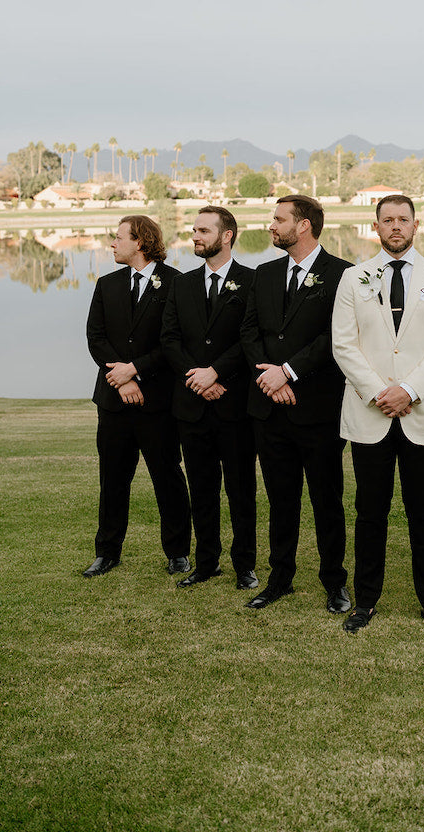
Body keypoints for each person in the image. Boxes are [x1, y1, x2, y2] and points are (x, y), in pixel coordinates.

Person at [331, 194, 424, 633]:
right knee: (370, 511)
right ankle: (365, 601)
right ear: (376, 226)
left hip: (420, 413)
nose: (395, 227)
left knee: (423, 511)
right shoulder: (354, 278)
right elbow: (343, 345)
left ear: (415, 224)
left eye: (402, 220)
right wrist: (377, 392)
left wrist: (408, 390)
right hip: (371, 414)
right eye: (387, 220)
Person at [240, 195, 352, 615]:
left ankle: (335, 583)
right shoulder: (264, 274)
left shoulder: (342, 273)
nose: (272, 225)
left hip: (318, 408)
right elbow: (249, 332)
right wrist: (269, 379)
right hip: (269, 409)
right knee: (280, 498)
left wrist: (288, 371)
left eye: (279, 219)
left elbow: (336, 336)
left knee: (327, 500)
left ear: (303, 226)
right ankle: (279, 579)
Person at [84, 215, 191, 578]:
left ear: (140, 242)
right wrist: (122, 379)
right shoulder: (106, 284)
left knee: (167, 477)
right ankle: (107, 552)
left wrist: (137, 370)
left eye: (117, 238)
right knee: (112, 478)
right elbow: (96, 338)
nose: (112, 244)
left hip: (157, 402)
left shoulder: (177, 284)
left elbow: (173, 342)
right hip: (113, 401)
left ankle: (178, 552)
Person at [161, 206, 257, 590]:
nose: (195, 237)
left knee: (240, 490)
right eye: (194, 230)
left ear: (227, 235)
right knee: (201, 489)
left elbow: (249, 339)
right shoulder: (181, 285)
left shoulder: (252, 282)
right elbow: (169, 339)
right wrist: (197, 379)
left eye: (203, 230)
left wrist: (216, 373)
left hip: (235, 405)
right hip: (192, 406)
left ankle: (245, 566)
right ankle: (206, 563)